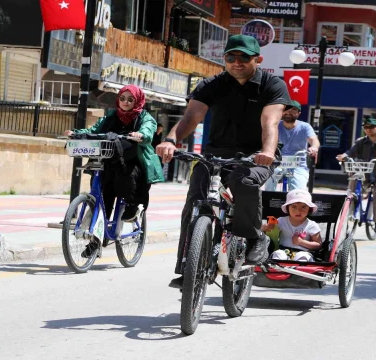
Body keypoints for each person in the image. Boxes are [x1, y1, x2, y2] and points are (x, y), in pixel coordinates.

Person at [156, 34, 291, 288]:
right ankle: (188, 264)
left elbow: (270, 122)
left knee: (245, 181)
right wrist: (171, 140)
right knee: (196, 199)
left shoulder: (273, 85)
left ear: (257, 59)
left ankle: (253, 238)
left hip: (256, 154)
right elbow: (190, 119)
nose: (236, 62)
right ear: (225, 59)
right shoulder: (212, 84)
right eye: (231, 57)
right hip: (215, 153)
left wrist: (268, 151)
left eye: (244, 57)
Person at [64, 85, 164, 255]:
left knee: (128, 178)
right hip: (110, 160)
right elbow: (93, 131)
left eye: (130, 99)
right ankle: (95, 243)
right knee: (102, 198)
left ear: (137, 101)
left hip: (133, 161)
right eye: (123, 98)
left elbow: (148, 131)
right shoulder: (111, 116)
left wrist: (141, 135)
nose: (125, 102)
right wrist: (76, 133)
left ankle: (132, 207)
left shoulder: (145, 118)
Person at [336, 116, 376, 233]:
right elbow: (351, 152)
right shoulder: (361, 141)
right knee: (352, 185)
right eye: (366, 127)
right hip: (364, 173)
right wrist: (344, 155)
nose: (368, 130)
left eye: (372, 127)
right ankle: (351, 208)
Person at [264, 100, 320, 191]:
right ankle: (268, 203)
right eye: (287, 109)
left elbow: (314, 139)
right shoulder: (275, 125)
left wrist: (314, 147)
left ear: (298, 113)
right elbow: (266, 138)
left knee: (298, 190)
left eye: (293, 110)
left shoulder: (305, 127)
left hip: (298, 164)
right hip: (277, 163)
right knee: (269, 183)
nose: (289, 112)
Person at [261, 189, 321, 262]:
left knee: (303, 257)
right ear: (288, 208)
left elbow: (318, 244)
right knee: (278, 254)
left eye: (303, 207)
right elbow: (270, 234)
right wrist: (264, 228)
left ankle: (298, 272)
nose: (298, 211)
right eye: (294, 207)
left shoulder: (311, 225)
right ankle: (277, 271)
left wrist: (302, 242)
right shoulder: (281, 221)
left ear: (309, 209)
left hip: (304, 252)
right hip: (284, 251)